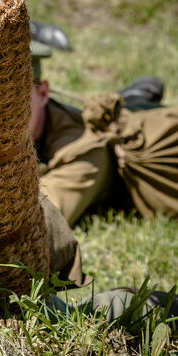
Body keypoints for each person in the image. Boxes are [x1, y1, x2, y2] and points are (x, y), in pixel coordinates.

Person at [30, 35, 167, 225]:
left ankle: (134, 101)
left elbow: (38, 220)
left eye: (15, 100)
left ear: (43, 93)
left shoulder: (83, 152)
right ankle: (134, 98)